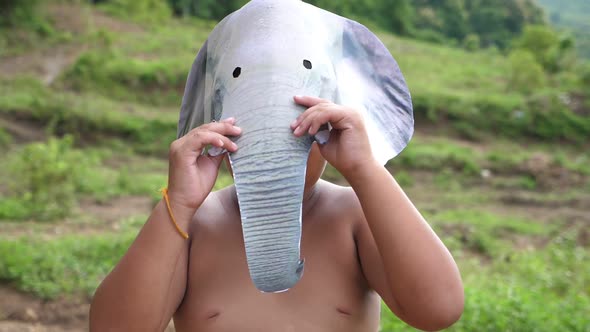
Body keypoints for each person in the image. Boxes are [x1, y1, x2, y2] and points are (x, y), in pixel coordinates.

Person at [89, 95, 464, 332]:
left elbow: (438, 309)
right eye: (251, 137)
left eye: (299, 134)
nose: (273, 161)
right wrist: (179, 203)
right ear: (219, 139)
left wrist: (365, 168)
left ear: (329, 133)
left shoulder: (352, 214)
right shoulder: (196, 224)